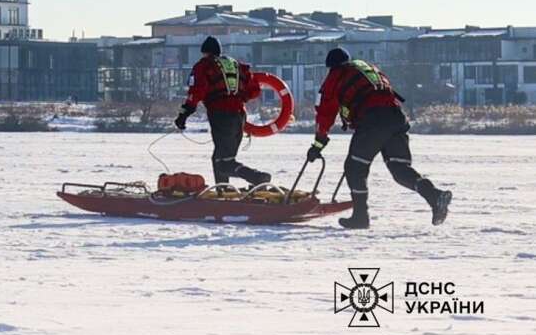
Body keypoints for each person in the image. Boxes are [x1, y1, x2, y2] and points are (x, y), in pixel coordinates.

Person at [306, 47, 452, 229]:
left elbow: (325, 113)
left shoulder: (335, 77)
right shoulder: (367, 69)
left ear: (331, 66)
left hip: (373, 121)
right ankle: (435, 196)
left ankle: (360, 217)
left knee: (354, 168)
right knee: (400, 169)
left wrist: (318, 145)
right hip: (396, 118)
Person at [174, 36, 271, 187]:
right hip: (239, 115)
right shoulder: (236, 65)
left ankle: (256, 176)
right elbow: (254, 90)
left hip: (221, 114)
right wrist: (239, 98)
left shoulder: (204, 66)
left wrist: (184, 114)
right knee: (223, 158)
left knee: (223, 163)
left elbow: (197, 91)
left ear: (205, 52)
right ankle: (224, 189)